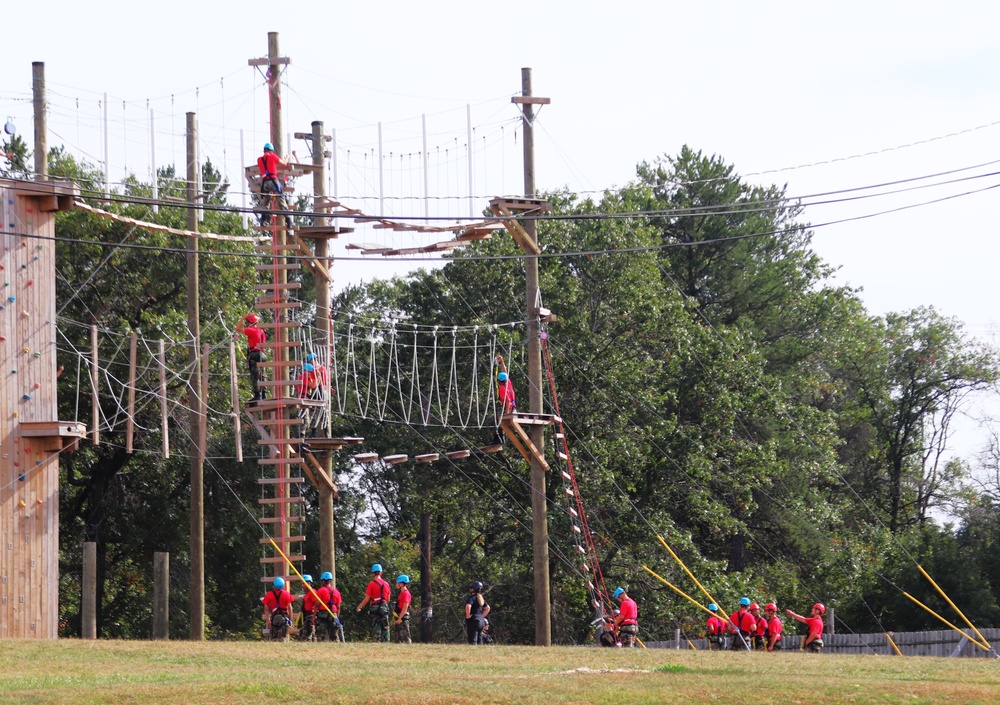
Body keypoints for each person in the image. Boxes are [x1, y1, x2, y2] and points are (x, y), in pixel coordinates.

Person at [256, 142, 294, 226]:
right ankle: (288, 221)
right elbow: (284, 163)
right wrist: (287, 157)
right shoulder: (272, 156)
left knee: (265, 202)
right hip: (274, 181)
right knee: (281, 199)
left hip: (264, 183)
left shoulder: (259, 159)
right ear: (271, 151)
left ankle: (263, 221)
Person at [357, 563, 392, 642]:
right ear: (381, 573)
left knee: (376, 627)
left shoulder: (371, 584)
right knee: (385, 626)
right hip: (384, 607)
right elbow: (388, 599)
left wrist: (360, 606)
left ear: (372, 573)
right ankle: (386, 642)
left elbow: (367, 599)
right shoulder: (386, 584)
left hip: (375, 607)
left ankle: (376, 641)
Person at [236, 313, 267, 401]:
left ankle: (257, 395)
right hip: (263, 353)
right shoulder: (261, 331)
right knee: (262, 375)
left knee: (255, 375)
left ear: (250, 322)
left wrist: (242, 318)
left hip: (255, 353)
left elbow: (238, 328)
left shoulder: (252, 330)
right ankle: (264, 395)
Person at [261, 576, 295, 641]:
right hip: (284, 617)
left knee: (274, 637)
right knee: (283, 637)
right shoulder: (286, 594)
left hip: (274, 618)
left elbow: (266, 609)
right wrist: (290, 620)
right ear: (283, 585)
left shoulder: (269, 595)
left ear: (274, 585)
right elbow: (290, 608)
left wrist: (268, 620)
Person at [315, 571, 344, 642]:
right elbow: (338, 607)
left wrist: (314, 616)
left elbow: (316, 605)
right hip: (333, 613)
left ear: (323, 581)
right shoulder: (336, 592)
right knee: (334, 634)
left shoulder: (320, 591)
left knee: (320, 634)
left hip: (322, 614)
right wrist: (337, 616)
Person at [393, 574, 412, 644]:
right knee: (397, 637)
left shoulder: (406, 594)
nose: (396, 584)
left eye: (398, 583)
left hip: (403, 617)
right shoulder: (401, 593)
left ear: (402, 584)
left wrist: (400, 618)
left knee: (405, 636)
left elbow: (405, 607)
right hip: (399, 616)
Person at [299, 574, 318, 641]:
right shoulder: (307, 593)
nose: (302, 585)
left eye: (303, 583)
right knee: (311, 635)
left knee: (306, 636)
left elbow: (316, 604)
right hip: (307, 615)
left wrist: (313, 617)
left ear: (308, 583)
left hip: (311, 615)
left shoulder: (312, 592)